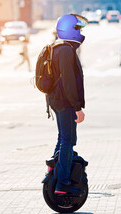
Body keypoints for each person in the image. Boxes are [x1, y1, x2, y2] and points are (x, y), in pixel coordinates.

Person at [48, 14, 88, 196]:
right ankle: (62, 183)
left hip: (57, 101)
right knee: (68, 140)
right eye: (78, 28)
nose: (81, 32)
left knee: (62, 137)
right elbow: (69, 82)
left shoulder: (59, 47)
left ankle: (53, 168)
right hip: (65, 103)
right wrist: (77, 107)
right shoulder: (65, 50)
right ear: (71, 30)